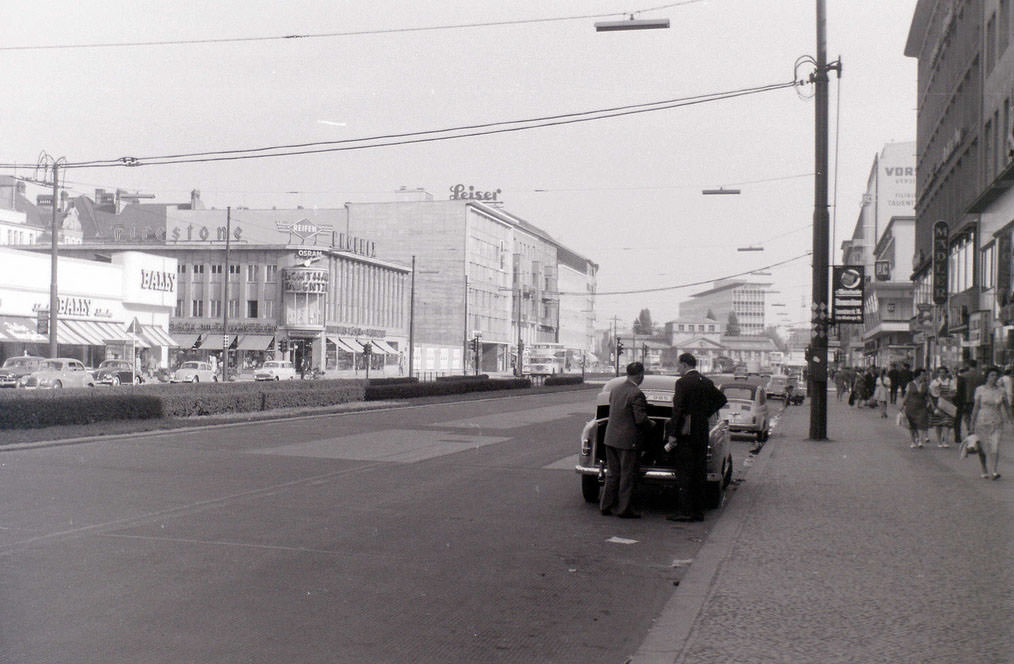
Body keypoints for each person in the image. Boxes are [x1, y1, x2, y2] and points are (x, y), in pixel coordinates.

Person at [665, 352, 727, 522]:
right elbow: (722, 399)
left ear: (684, 364)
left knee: (684, 473)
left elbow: (677, 410)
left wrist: (672, 434)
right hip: (701, 433)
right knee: (699, 473)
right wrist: (705, 413)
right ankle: (698, 511)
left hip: (686, 435)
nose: (678, 368)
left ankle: (685, 511)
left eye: (679, 365)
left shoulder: (682, 383)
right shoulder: (706, 382)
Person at [599, 361, 654, 518]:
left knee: (612, 473)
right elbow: (640, 419)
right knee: (627, 475)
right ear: (641, 375)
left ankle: (606, 505)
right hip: (628, 441)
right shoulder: (636, 393)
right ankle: (624, 509)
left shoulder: (615, 389)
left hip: (611, 438)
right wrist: (652, 424)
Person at [969, 366, 1010, 480]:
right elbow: (976, 407)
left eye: (996, 375)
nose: (994, 378)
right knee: (982, 447)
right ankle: (984, 469)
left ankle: (994, 471)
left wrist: (1011, 419)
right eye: (992, 375)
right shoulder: (980, 389)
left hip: (997, 421)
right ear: (987, 377)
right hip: (982, 421)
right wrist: (971, 423)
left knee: (995, 447)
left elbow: (1007, 407)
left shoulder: (1001, 391)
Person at [955, 359, 985, 441]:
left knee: (962, 417)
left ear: (968, 365)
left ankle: (959, 436)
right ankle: (973, 432)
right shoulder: (981, 376)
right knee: (975, 416)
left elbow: (959, 389)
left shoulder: (963, 375)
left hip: (965, 399)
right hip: (977, 399)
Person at [902, 368, 932, 448]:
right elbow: (906, 395)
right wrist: (902, 405)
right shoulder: (910, 384)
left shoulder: (925, 385)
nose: (924, 376)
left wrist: (930, 403)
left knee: (921, 424)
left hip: (922, 406)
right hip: (911, 407)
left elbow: (928, 396)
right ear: (918, 375)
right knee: (912, 425)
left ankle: (920, 440)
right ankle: (913, 441)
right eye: (923, 375)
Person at [928, 366, 957, 447]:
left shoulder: (950, 382)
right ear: (938, 373)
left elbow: (954, 392)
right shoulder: (934, 382)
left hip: (948, 404)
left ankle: (946, 440)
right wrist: (933, 405)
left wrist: (949, 395)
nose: (942, 374)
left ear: (946, 373)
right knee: (938, 423)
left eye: (944, 372)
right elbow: (930, 394)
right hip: (937, 404)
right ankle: (939, 441)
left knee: (947, 423)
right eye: (940, 372)